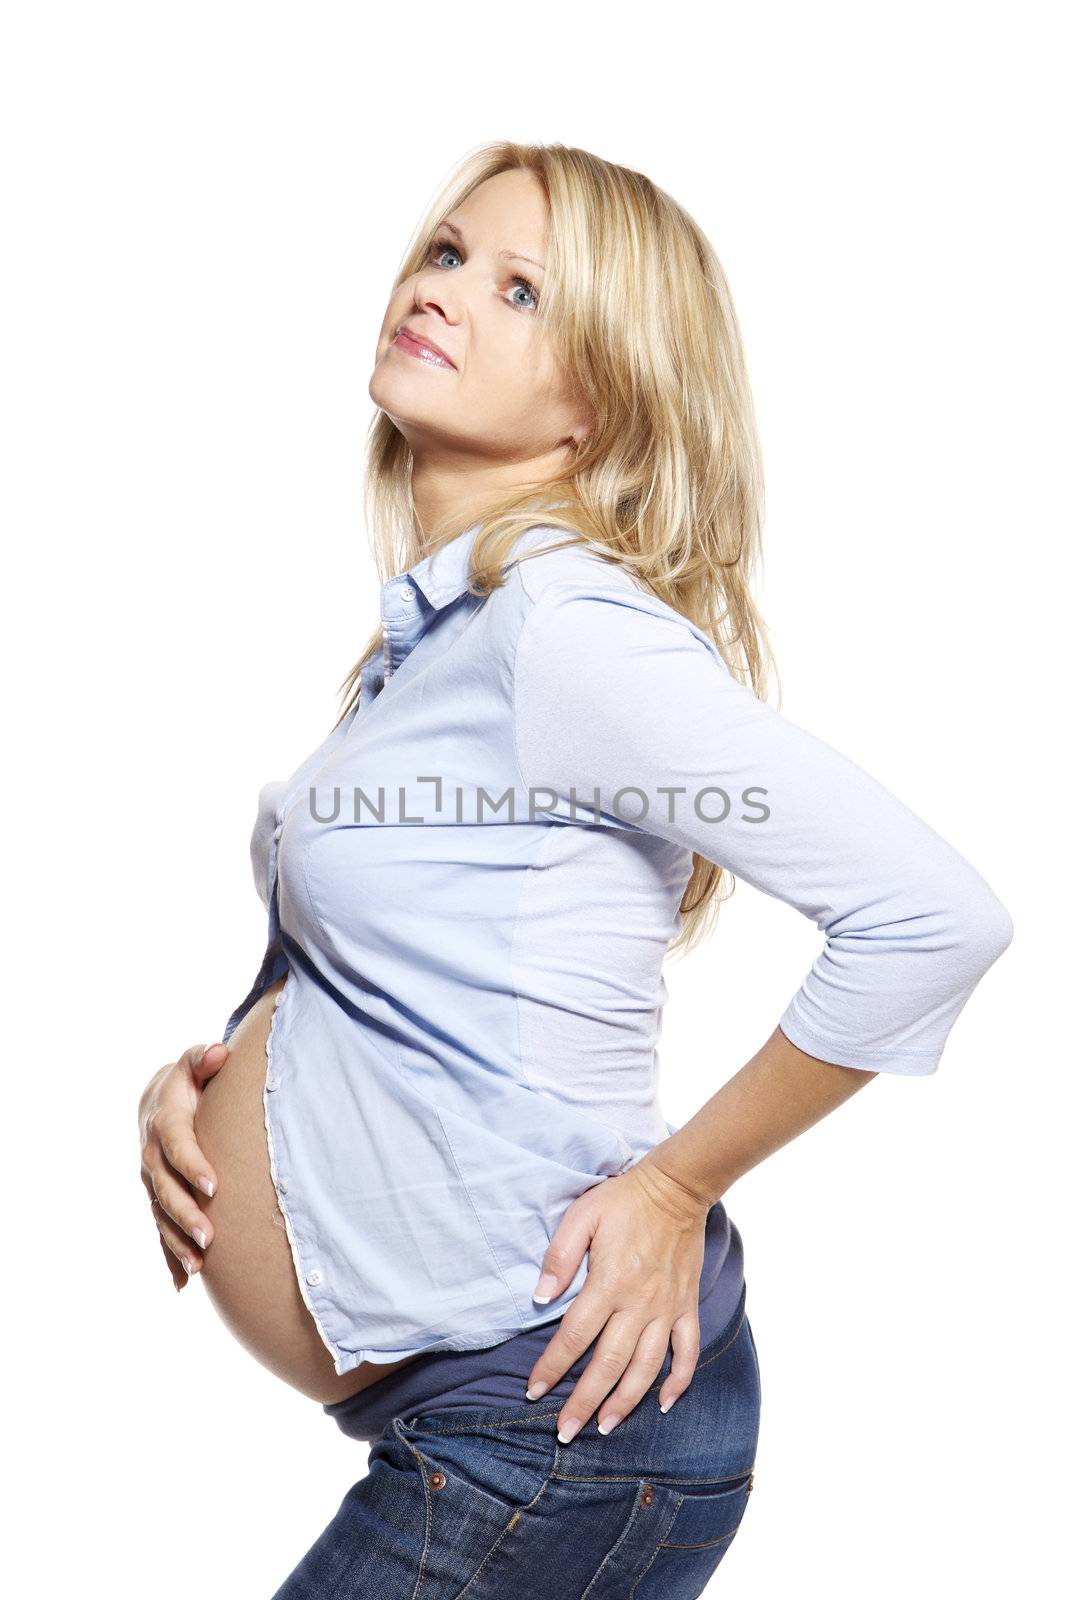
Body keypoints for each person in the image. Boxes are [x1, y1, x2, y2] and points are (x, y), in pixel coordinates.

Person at [137, 142, 1014, 1596]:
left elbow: (934, 918)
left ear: (599, 398)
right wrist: (207, 1081)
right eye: (445, 254)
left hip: (558, 1438)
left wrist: (676, 1192)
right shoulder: (439, 644)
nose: (448, 293)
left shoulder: (569, 635)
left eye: (523, 290)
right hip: (490, 1431)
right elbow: (373, 964)